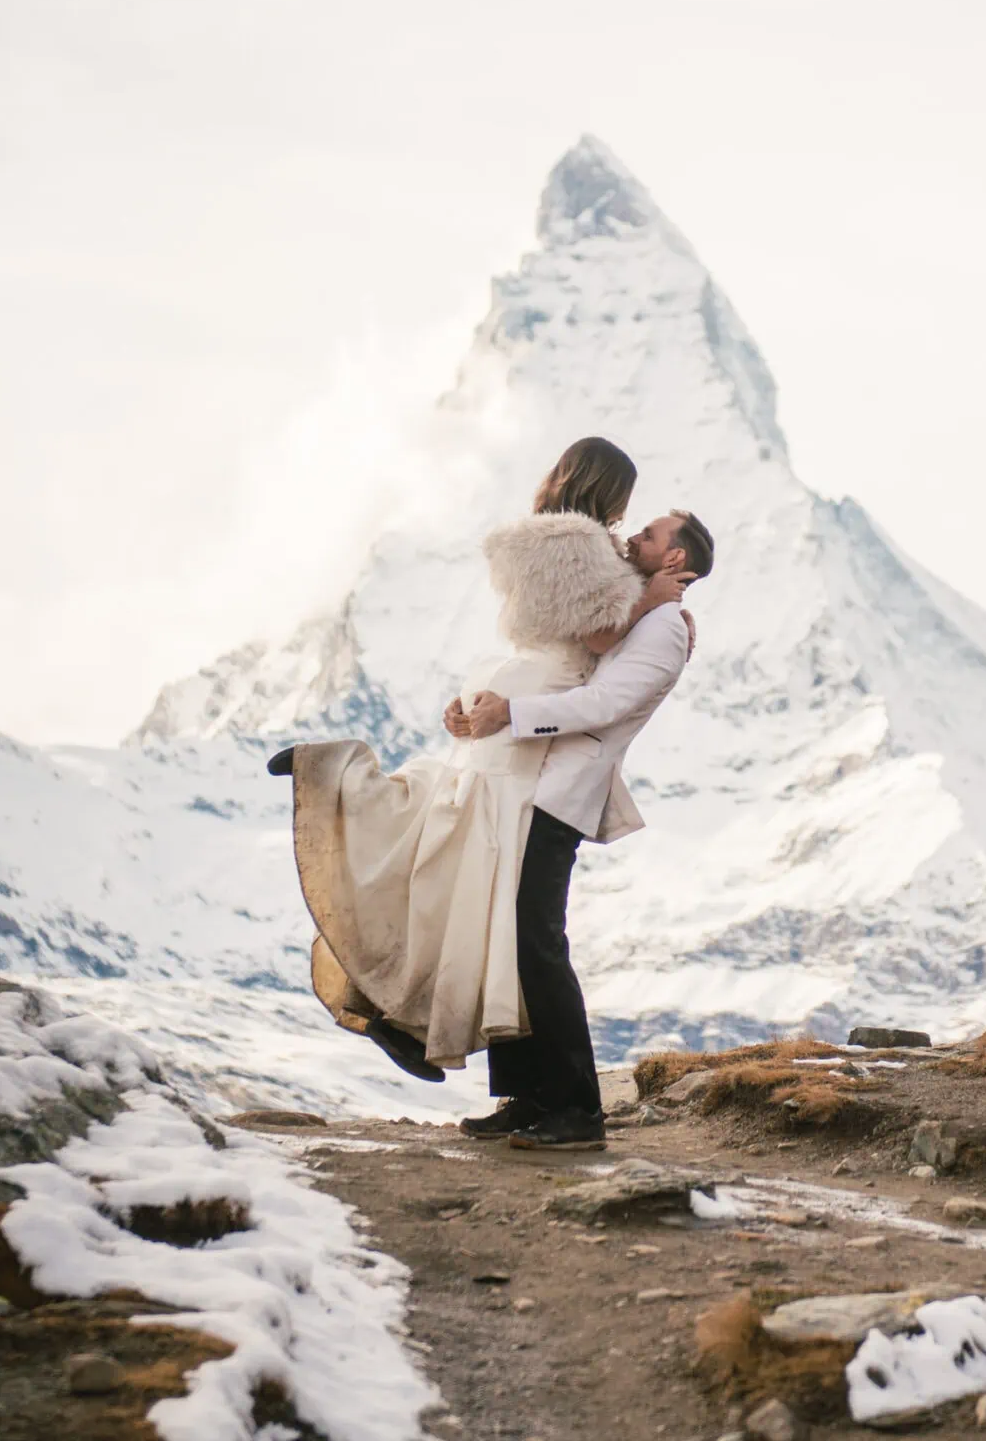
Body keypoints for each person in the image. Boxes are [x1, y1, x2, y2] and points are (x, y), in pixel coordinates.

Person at [273, 437, 695, 1084]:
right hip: (526, 724)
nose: (627, 524)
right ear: (606, 491)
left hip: (513, 696)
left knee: (451, 866)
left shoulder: (544, 539)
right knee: (471, 888)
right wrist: (653, 597)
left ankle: (413, 1016)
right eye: (624, 505)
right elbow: (601, 633)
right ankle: (337, 776)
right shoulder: (582, 546)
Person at [447, 503, 714, 1152]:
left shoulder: (668, 628)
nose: (632, 538)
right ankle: (528, 1098)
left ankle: (576, 1109)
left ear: (675, 559)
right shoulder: (643, 612)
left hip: (564, 794)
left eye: (648, 536)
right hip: (537, 782)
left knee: (539, 946)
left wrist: (512, 714)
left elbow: (607, 701)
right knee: (518, 943)